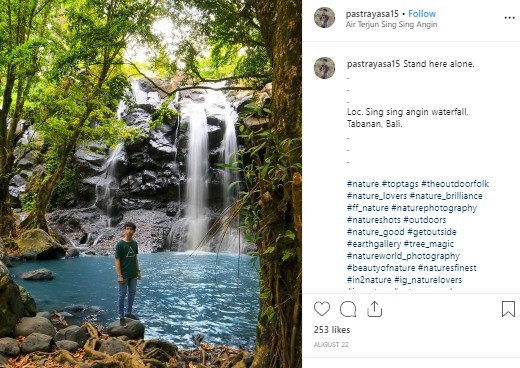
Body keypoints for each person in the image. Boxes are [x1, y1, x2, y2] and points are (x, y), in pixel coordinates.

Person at [114, 221, 141, 327]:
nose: (129, 231)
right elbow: (117, 260)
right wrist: (119, 275)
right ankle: (121, 317)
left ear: (134, 231)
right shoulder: (120, 244)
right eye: (127, 229)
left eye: (131, 229)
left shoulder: (134, 244)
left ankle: (128, 313)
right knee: (122, 295)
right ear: (124, 230)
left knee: (132, 294)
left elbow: (135, 258)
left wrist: (138, 271)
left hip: (133, 274)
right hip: (124, 275)